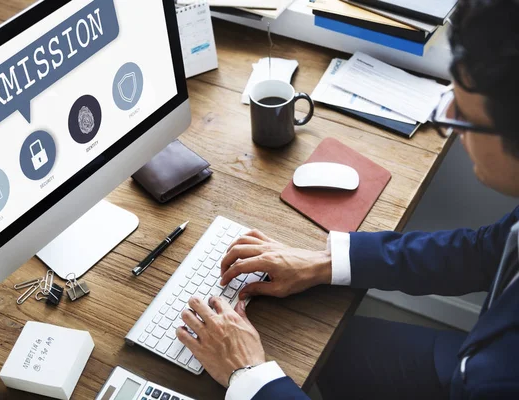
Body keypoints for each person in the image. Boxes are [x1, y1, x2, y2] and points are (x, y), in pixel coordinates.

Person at [175, 0, 519, 398]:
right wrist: (326, 261)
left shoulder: (500, 382)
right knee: (332, 350)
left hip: (476, 377)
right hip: (471, 360)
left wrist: (249, 374)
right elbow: (484, 252)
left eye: (463, 117)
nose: (454, 131)